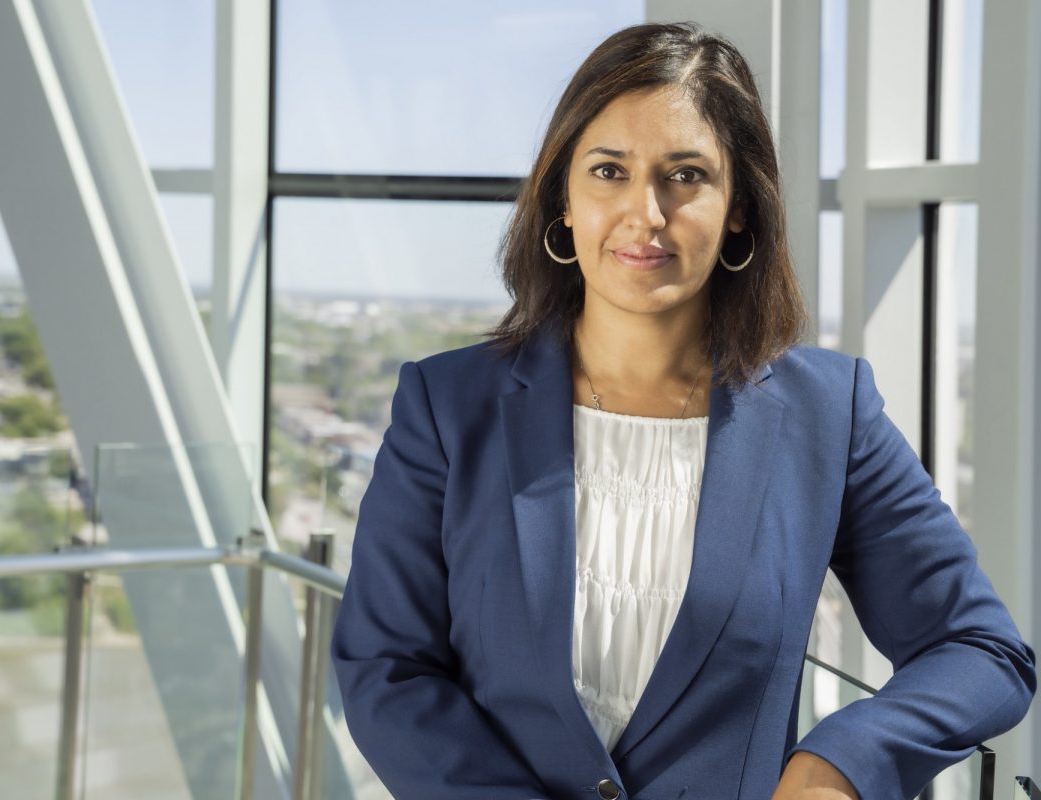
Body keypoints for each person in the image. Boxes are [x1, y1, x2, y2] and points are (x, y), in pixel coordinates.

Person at [330, 22, 1035, 800]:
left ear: (739, 208)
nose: (647, 212)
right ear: (563, 199)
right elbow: (384, 666)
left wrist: (834, 766)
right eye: (609, 171)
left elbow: (982, 650)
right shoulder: (445, 406)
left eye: (687, 176)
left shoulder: (828, 418)